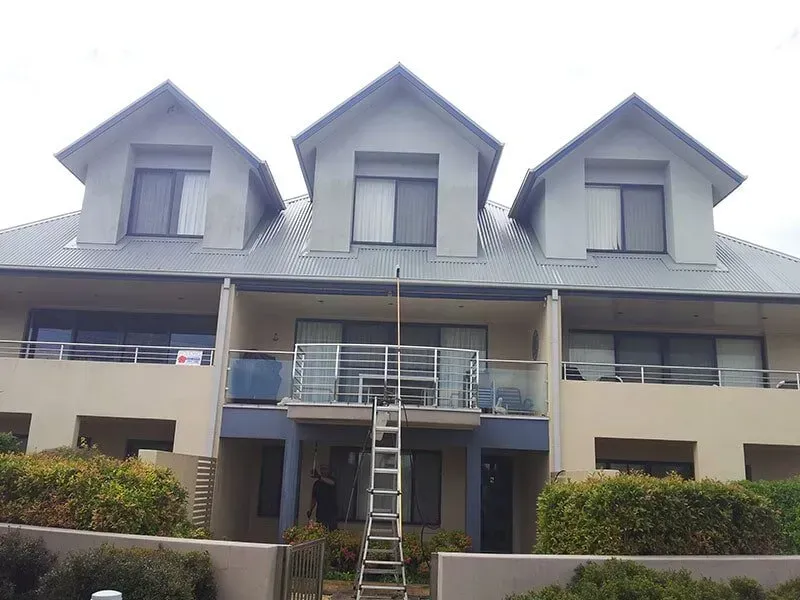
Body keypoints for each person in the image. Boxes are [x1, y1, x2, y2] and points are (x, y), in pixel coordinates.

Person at [307, 464, 338, 531]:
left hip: (331, 512)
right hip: (320, 513)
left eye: (325, 469)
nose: (323, 471)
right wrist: (310, 510)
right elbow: (314, 499)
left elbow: (332, 483)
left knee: (332, 531)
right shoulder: (317, 484)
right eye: (322, 469)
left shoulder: (332, 480)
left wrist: (318, 476)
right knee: (321, 530)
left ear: (329, 470)